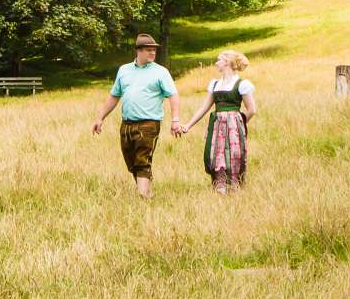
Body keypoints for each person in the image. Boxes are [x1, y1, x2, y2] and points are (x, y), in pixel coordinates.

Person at [91, 34, 182, 198]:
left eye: (154, 50)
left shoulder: (161, 72)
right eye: (148, 50)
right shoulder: (124, 70)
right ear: (138, 51)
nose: (152, 53)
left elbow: (173, 95)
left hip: (149, 123)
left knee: (142, 159)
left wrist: (175, 120)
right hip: (127, 123)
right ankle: (146, 190)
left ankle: (142, 196)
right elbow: (114, 96)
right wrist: (100, 118)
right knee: (131, 161)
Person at [182, 49, 256, 194]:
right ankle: (220, 191)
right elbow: (204, 107)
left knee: (234, 157)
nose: (216, 63)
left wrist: (237, 124)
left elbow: (252, 109)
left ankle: (235, 191)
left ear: (227, 62)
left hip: (234, 127)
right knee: (216, 157)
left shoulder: (241, 84)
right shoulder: (215, 84)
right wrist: (188, 125)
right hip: (217, 126)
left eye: (219, 60)